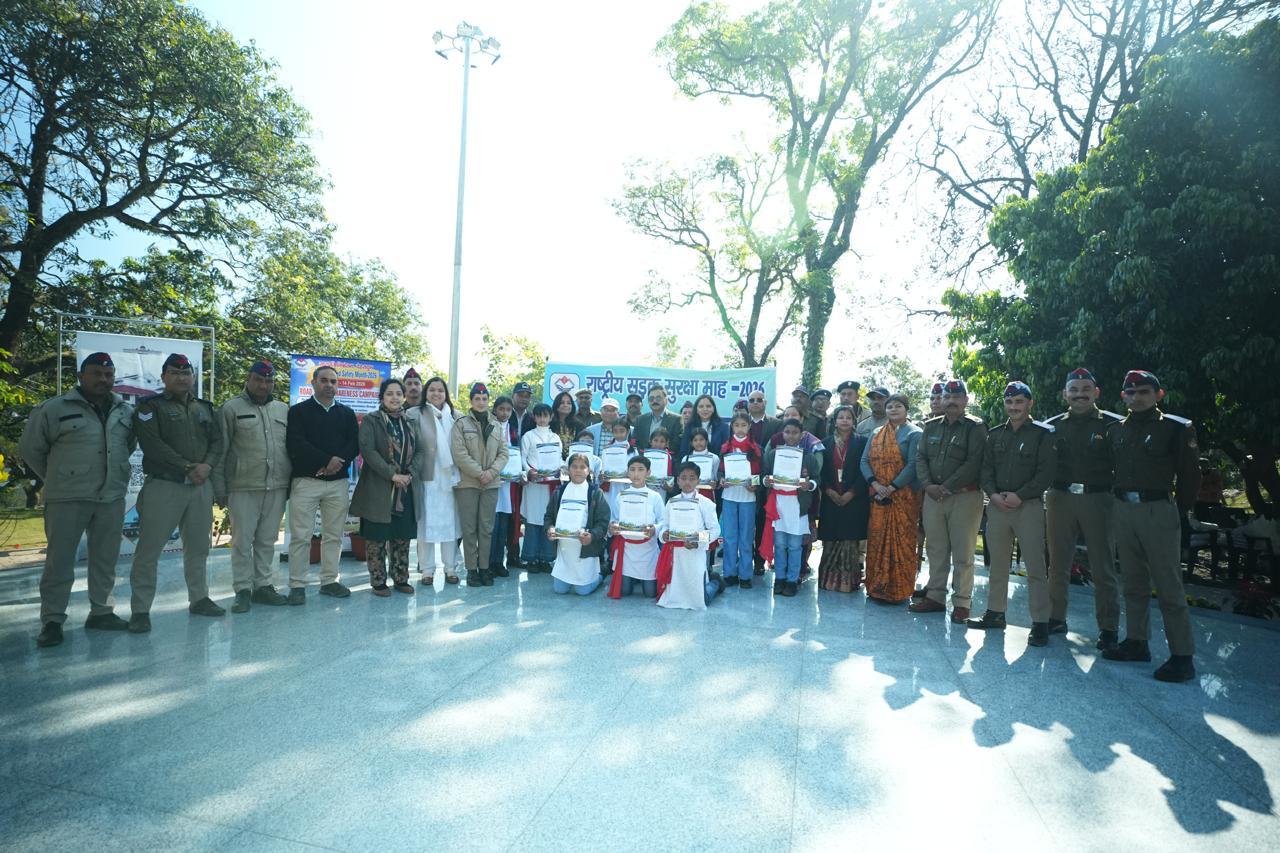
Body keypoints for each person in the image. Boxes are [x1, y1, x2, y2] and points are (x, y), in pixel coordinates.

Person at [21, 352, 136, 647]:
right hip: (67, 497)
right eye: (96, 373)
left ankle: (102, 611)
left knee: (105, 559)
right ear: (81, 376)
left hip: (110, 496)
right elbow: (31, 449)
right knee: (59, 561)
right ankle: (52, 620)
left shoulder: (124, 411)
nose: (103, 379)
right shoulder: (54, 409)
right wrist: (59, 477)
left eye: (108, 375)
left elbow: (128, 445)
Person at [1102, 370, 1201, 683]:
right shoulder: (1115, 430)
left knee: (1168, 585)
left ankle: (1182, 656)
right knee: (1133, 581)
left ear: (1158, 395)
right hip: (1123, 509)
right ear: (1123, 397)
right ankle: (1136, 641)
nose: (1137, 397)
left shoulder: (1175, 428)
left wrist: (1178, 512)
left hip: (1158, 509)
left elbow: (1190, 476)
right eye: (1131, 393)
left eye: (1144, 391)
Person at [128, 353, 226, 631]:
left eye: (186, 373)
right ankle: (140, 610)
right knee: (148, 551)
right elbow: (152, 444)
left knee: (198, 548)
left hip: (200, 486)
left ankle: (199, 598)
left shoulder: (204, 408)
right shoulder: (150, 407)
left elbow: (217, 442)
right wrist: (186, 467)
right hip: (165, 486)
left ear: (193, 377)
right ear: (164, 377)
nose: (182, 378)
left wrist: (207, 466)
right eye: (175, 373)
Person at [968, 382, 1057, 645]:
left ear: (1030, 403)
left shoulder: (1043, 434)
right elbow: (986, 470)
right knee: (997, 564)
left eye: (1019, 402)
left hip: (1027, 506)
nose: (1014, 407)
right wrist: (993, 494)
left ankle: (1040, 623)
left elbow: (1046, 472)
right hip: (998, 506)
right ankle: (995, 613)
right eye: (1009, 402)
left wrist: (1021, 495)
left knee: (1035, 567)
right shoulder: (995, 434)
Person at [1044, 367, 1124, 650]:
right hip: (1060, 498)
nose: (1080, 395)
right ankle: (1055, 618)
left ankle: (1108, 628)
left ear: (1096, 392)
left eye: (1085, 389)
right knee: (1058, 564)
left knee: (1103, 566)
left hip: (1098, 499)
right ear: (1065, 394)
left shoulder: (1113, 425)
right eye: (1074, 390)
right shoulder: (1052, 426)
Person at [213, 359, 290, 613]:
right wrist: (219, 487)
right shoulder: (231, 408)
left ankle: (263, 586)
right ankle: (243, 589)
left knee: (267, 540)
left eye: (268, 381)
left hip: (276, 485)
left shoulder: (283, 410)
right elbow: (220, 450)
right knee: (242, 541)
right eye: (258, 379)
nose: (263, 385)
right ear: (248, 379)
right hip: (242, 485)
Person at [911, 379, 987, 624]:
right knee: (936, 549)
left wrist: (946, 487)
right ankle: (935, 596)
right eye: (947, 397)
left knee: (963, 552)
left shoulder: (975, 427)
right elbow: (921, 457)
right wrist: (929, 486)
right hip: (934, 497)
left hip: (964, 496)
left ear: (965, 400)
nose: (951, 401)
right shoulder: (931, 426)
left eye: (956, 397)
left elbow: (974, 462)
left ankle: (962, 602)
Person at [285, 364, 357, 605]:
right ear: (313, 383)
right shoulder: (298, 412)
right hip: (306, 482)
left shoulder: (346, 414)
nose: (329, 385)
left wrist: (336, 463)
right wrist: (326, 461)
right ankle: (297, 585)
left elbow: (353, 445)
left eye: (333, 381)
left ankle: (329, 581)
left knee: (333, 535)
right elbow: (296, 443)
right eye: (324, 380)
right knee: (301, 536)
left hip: (337, 484)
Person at [350, 378, 419, 596]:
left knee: (401, 535)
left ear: (404, 397)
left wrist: (409, 474)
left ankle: (401, 578)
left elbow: (421, 451)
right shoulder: (372, 420)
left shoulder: (410, 421)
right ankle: (378, 581)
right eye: (390, 393)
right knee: (377, 537)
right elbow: (368, 450)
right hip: (378, 487)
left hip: (404, 488)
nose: (395, 398)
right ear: (382, 397)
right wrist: (392, 475)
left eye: (398, 393)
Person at [861, 394, 923, 604]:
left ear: (906, 409)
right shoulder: (877, 433)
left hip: (903, 498)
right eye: (890, 406)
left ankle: (898, 590)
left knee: (902, 542)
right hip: (878, 496)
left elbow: (914, 464)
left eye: (898, 406)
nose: (893, 409)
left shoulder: (915, 434)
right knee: (877, 540)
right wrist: (876, 485)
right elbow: (864, 461)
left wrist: (892, 487)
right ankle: (876, 586)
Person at [452, 382, 509, 587]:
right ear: (471, 400)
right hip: (468, 483)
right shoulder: (461, 424)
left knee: (486, 528)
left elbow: (504, 453)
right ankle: (471, 570)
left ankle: (484, 568)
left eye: (484, 399)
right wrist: (479, 473)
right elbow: (459, 454)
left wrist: (491, 473)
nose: (481, 402)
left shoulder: (496, 424)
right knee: (469, 529)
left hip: (490, 484)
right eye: (477, 399)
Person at [408, 376, 462, 585]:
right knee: (426, 525)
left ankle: (451, 568)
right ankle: (427, 570)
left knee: (450, 524)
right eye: (432, 390)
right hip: (427, 477)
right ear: (426, 392)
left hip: (450, 477)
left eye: (440, 390)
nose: (436, 393)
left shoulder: (456, 416)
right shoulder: (414, 414)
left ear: (446, 393)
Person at [762, 419, 820, 597]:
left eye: (795, 432)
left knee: (795, 546)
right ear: (782, 434)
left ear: (801, 435)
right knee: (779, 545)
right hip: (778, 505)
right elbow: (764, 474)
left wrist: (810, 484)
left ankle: (792, 580)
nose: (791, 436)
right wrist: (766, 481)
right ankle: (779, 578)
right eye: (787, 432)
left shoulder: (808, 457)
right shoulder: (773, 454)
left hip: (797, 507)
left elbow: (817, 478)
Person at [818, 405, 871, 592]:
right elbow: (820, 472)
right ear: (835, 421)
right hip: (830, 498)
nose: (845, 420)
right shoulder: (824, 444)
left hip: (854, 500)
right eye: (841, 417)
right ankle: (828, 581)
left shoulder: (863, 442)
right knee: (831, 538)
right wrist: (828, 490)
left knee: (849, 538)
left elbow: (866, 471)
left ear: (854, 421)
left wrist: (852, 493)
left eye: (849, 417)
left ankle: (848, 582)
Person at [657, 463, 723, 609]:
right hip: (675, 553)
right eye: (683, 478)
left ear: (698, 481)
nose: (687, 482)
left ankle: (716, 583)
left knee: (700, 600)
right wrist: (664, 534)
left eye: (692, 478)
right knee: (674, 594)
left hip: (695, 552)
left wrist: (697, 540)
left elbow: (715, 530)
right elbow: (664, 525)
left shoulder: (706, 503)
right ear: (678, 481)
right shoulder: (671, 502)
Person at [545, 454, 610, 595]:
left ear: (589, 471)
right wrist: (550, 528)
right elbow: (548, 516)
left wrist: (592, 536)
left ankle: (601, 574)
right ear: (568, 470)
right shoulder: (559, 491)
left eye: (582, 467)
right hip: (564, 553)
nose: (578, 470)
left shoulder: (595, 493)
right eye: (574, 467)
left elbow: (603, 521)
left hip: (585, 552)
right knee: (559, 590)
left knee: (582, 591)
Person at [607, 456, 668, 597]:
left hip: (647, 549)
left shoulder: (655, 496)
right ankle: (630, 579)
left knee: (650, 593)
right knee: (625, 591)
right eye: (632, 470)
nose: (636, 474)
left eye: (640, 470)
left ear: (648, 472)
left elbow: (663, 521)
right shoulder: (621, 495)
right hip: (626, 550)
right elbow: (614, 518)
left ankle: (642, 580)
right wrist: (613, 526)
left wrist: (654, 529)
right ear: (627, 472)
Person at [719, 412, 762, 588]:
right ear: (732, 427)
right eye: (736, 425)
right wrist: (722, 480)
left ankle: (745, 575)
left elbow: (759, 473)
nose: (740, 429)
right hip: (729, 496)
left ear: (749, 427)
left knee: (746, 537)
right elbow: (721, 471)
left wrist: (755, 485)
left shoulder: (756, 449)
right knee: (729, 537)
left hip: (748, 498)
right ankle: (729, 573)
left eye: (743, 425)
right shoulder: (725, 448)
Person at [520, 403, 560, 571]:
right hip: (534, 484)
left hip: (550, 485)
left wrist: (561, 469)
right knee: (532, 520)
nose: (542, 419)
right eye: (539, 416)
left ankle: (546, 558)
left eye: (545, 416)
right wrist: (530, 471)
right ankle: (531, 559)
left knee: (547, 519)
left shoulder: (555, 437)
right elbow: (522, 457)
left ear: (551, 417)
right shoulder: (528, 436)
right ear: (534, 417)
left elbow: (558, 458)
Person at [746, 390, 783, 573]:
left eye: (759, 400)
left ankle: (759, 562)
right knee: (746, 523)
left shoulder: (776, 424)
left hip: (767, 478)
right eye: (752, 400)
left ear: (765, 403)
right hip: (745, 479)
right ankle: (744, 560)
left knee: (762, 521)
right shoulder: (740, 423)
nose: (755, 402)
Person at [489, 395, 524, 573]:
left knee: (504, 523)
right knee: (492, 524)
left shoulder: (513, 430)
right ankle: (487, 562)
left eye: (508, 410)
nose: (504, 413)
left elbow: (517, 455)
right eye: (501, 409)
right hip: (491, 481)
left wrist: (520, 474)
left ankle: (498, 562)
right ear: (495, 410)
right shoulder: (488, 427)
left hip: (509, 485)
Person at [678, 394, 729, 459]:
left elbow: (726, 451)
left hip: (717, 463)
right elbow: (683, 451)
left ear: (713, 409)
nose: (705, 409)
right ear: (696, 410)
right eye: (701, 406)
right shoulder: (689, 427)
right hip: (693, 463)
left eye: (708, 406)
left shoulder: (723, 427)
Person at [633, 385, 683, 451]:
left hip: (667, 456)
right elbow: (636, 444)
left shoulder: (676, 420)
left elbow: (677, 445)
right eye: (651, 399)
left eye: (658, 398)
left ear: (666, 400)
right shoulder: (640, 420)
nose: (654, 401)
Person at [549, 391, 582, 457]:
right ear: (556, 405)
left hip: (574, 459)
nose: (565, 405)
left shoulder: (579, 426)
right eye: (562, 403)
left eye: (569, 403)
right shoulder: (549, 424)